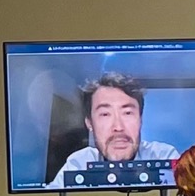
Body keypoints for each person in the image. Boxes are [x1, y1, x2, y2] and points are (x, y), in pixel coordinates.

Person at [49, 75, 180, 188]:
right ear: (89, 123)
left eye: (127, 113)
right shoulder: (78, 164)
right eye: (105, 114)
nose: (118, 127)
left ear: (140, 119)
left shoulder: (163, 156)